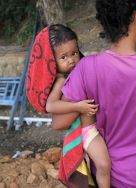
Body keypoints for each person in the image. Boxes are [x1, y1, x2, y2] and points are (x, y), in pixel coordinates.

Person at [51, 0, 136, 187]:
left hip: (115, 180)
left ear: (103, 25)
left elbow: (59, 123)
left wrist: (89, 106)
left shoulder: (87, 68)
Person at [42, 24, 111, 188]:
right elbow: (50, 106)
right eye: (63, 57)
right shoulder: (61, 79)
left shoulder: (83, 68)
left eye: (74, 53)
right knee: (104, 165)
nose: (71, 60)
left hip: (102, 126)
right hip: (88, 131)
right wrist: (78, 107)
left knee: (104, 166)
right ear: (53, 61)